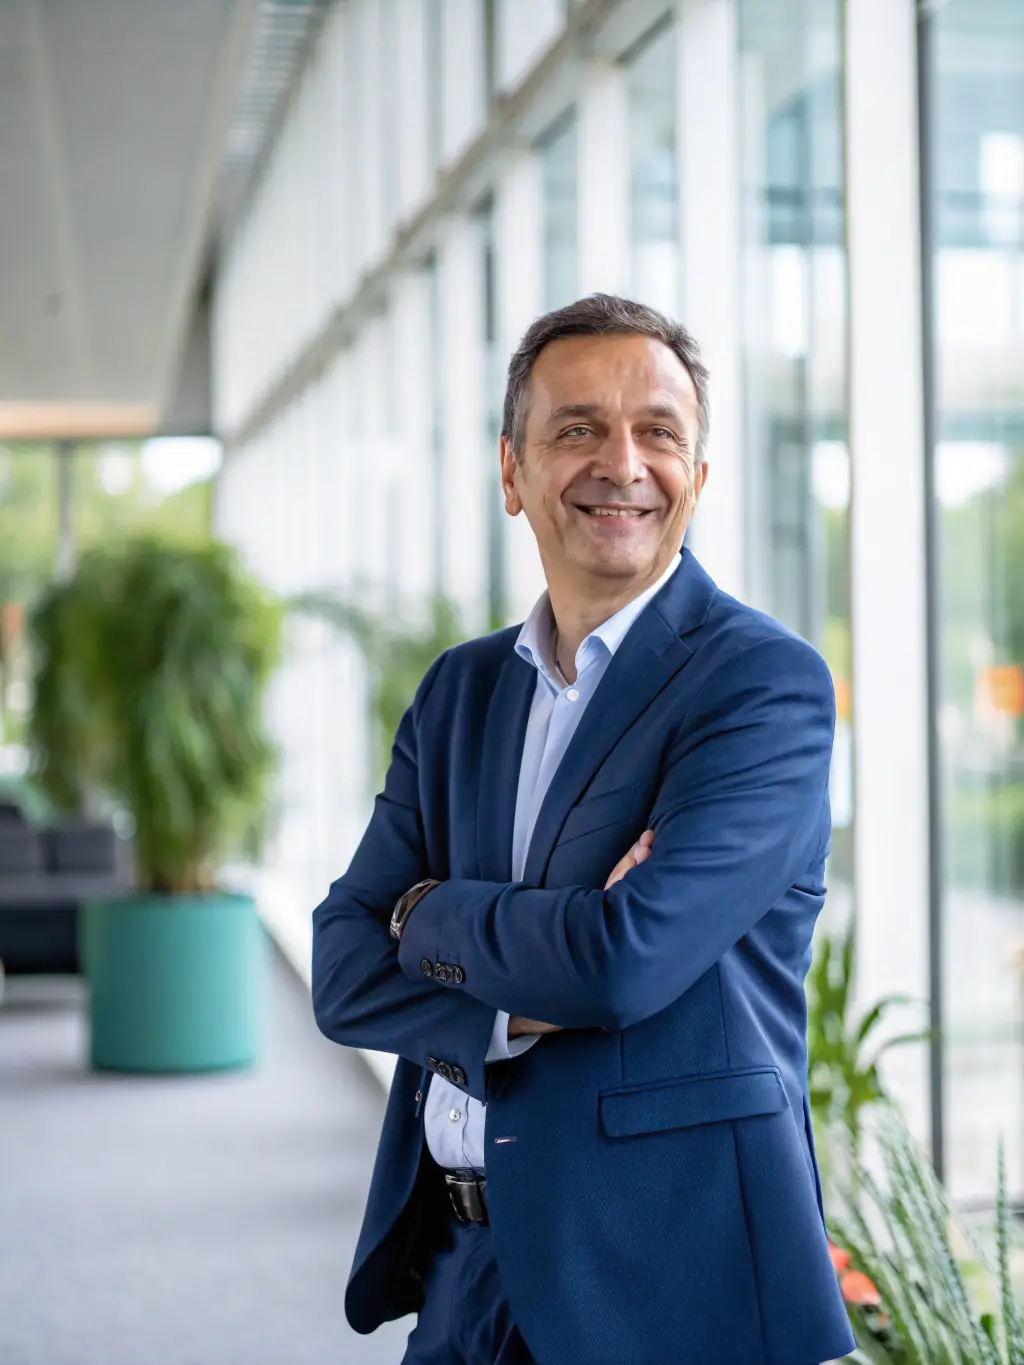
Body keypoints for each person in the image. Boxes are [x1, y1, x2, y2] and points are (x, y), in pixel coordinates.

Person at [312, 293, 855, 1365]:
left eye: (659, 431)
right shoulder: (459, 691)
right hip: (460, 1270)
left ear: (697, 478)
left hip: (666, 1280)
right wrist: (530, 972)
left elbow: (621, 962)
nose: (622, 461)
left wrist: (423, 913)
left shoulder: (759, 686)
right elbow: (338, 967)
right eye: (576, 430)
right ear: (511, 473)